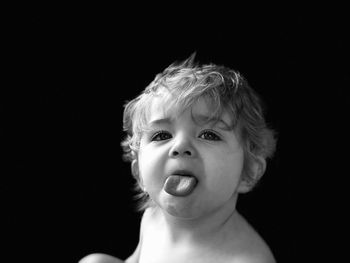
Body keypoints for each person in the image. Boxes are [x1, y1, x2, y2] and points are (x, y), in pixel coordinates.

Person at [79, 54, 277, 263]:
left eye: (209, 135)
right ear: (139, 174)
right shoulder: (153, 219)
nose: (180, 146)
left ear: (249, 171)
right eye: (162, 135)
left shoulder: (245, 260)